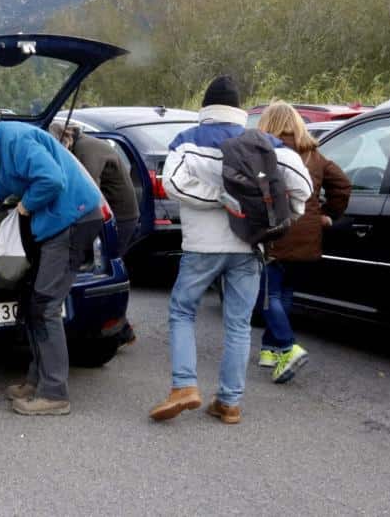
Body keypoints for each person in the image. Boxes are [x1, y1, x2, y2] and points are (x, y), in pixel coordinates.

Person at [150, 77, 311, 425]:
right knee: (238, 324)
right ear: (239, 110)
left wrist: (222, 201)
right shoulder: (265, 144)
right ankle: (229, 403)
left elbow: (172, 182)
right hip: (249, 246)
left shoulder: (187, 141)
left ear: (205, 108)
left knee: (182, 311)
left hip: (202, 248)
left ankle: (184, 387)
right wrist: (272, 218)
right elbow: (303, 187)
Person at [0, 116, 104, 416]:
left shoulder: (15, 141)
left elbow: (52, 180)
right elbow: (1, 189)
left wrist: (27, 205)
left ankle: (55, 393)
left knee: (45, 305)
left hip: (74, 219)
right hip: (57, 224)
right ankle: (36, 381)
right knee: (32, 301)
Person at [255, 101, 350, 383]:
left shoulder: (267, 153)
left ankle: (287, 346)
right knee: (284, 293)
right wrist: (328, 215)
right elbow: (343, 185)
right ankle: (270, 350)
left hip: (276, 236)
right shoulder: (314, 156)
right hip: (308, 238)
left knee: (268, 295)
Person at [54, 122, 141, 348]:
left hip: (119, 218)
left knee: (105, 271)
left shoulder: (87, 150)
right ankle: (123, 330)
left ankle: (118, 330)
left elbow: (87, 187)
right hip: (113, 214)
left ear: (66, 138)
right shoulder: (83, 146)